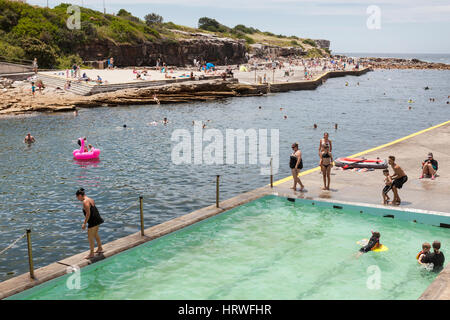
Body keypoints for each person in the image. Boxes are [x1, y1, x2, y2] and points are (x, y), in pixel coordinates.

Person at [76, 188, 104, 259]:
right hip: (97, 219)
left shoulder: (85, 201)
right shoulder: (90, 199)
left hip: (93, 221)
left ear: (80, 195)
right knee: (95, 234)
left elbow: (88, 213)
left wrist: (84, 224)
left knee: (90, 237)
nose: (77, 199)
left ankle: (91, 253)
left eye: (77, 197)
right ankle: (100, 248)